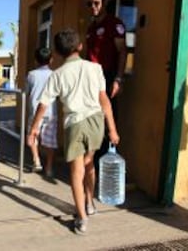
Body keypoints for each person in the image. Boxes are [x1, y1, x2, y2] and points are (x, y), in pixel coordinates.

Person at [27, 28, 120, 235]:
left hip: (74, 124)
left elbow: (43, 104)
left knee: (76, 173)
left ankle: (82, 219)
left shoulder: (57, 75)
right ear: (80, 46)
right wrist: (112, 129)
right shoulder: (95, 68)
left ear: (57, 52)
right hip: (96, 122)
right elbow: (104, 100)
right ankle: (90, 203)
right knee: (90, 165)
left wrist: (34, 129)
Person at [86, 0, 127, 159]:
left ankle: (107, 160)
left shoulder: (114, 23)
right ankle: (93, 161)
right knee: (92, 119)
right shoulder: (91, 27)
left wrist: (118, 78)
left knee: (108, 119)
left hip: (108, 77)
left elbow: (122, 51)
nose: (93, 7)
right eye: (90, 4)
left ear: (105, 3)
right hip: (91, 79)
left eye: (96, 3)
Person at [25, 47, 57, 177]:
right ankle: (49, 168)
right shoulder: (54, 74)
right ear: (51, 60)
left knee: (33, 136)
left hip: (34, 110)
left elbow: (26, 92)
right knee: (50, 141)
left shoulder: (31, 75)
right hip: (51, 112)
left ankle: (36, 160)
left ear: (36, 60)